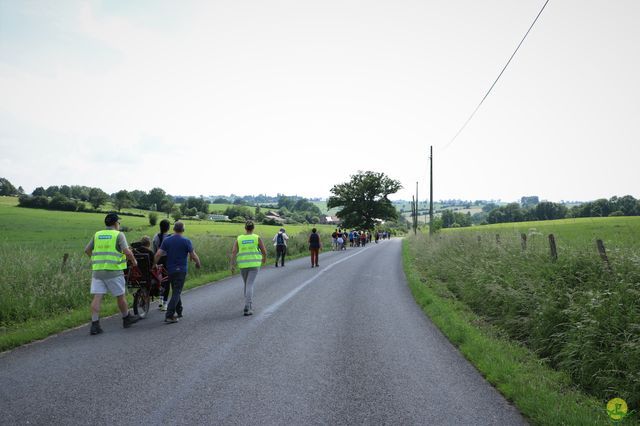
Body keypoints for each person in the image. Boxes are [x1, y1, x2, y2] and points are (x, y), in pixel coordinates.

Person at [84, 213, 140, 335]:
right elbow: (127, 252)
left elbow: (87, 250)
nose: (119, 224)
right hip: (114, 271)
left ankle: (95, 325)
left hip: (98, 272)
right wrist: (134, 261)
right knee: (120, 296)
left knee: (97, 297)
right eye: (118, 222)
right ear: (115, 223)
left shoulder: (97, 234)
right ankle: (126, 318)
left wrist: (95, 260)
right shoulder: (118, 235)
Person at [154, 221, 201, 324]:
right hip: (181, 270)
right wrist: (198, 263)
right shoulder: (186, 241)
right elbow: (193, 255)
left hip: (170, 270)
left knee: (176, 290)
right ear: (183, 230)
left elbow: (158, 254)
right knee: (177, 291)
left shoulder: (167, 240)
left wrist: (153, 265)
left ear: (174, 229)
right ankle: (169, 315)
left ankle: (179, 311)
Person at [230, 220, 267, 316]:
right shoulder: (256, 238)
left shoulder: (239, 238)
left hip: (243, 265)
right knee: (250, 284)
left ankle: (248, 305)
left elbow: (234, 252)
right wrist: (264, 259)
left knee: (246, 284)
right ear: (253, 228)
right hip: (254, 264)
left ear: (245, 228)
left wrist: (232, 264)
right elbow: (264, 251)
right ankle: (247, 307)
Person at [153, 219, 171, 310]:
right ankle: (164, 303)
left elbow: (154, 250)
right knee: (166, 281)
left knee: (159, 281)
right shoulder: (170, 237)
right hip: (167, 260)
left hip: (158, 260)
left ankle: (160, 299)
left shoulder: (156, 236)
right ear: (168, 227)